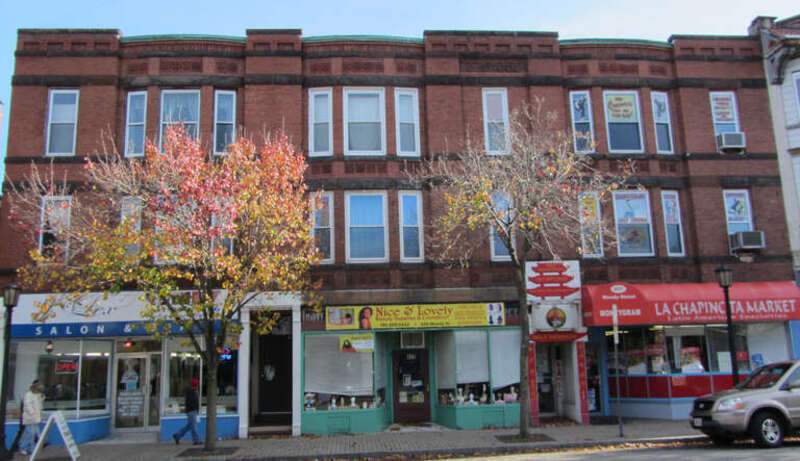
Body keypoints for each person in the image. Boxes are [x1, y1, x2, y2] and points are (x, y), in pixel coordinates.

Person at [172, 378, 201, 445]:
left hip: (191, 411)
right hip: (191, 411)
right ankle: (196, 440)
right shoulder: (192, 392)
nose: (197, 386)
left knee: (189, 426)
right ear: (195, 385)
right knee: (193, 426)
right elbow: (193, 402)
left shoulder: (192, 391)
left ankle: (177, 436)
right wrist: (195, 409)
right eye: (197, 384)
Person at [19, 379, 44, 455]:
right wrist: (32, 413)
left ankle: (30, 448)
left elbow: (39, 405)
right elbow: (27, 405)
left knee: (30, 433)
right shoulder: (29, 395)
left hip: (35, 417)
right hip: (30, 417)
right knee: (31, 433)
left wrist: (42, 397)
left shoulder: (37, 395)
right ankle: (24, 447)